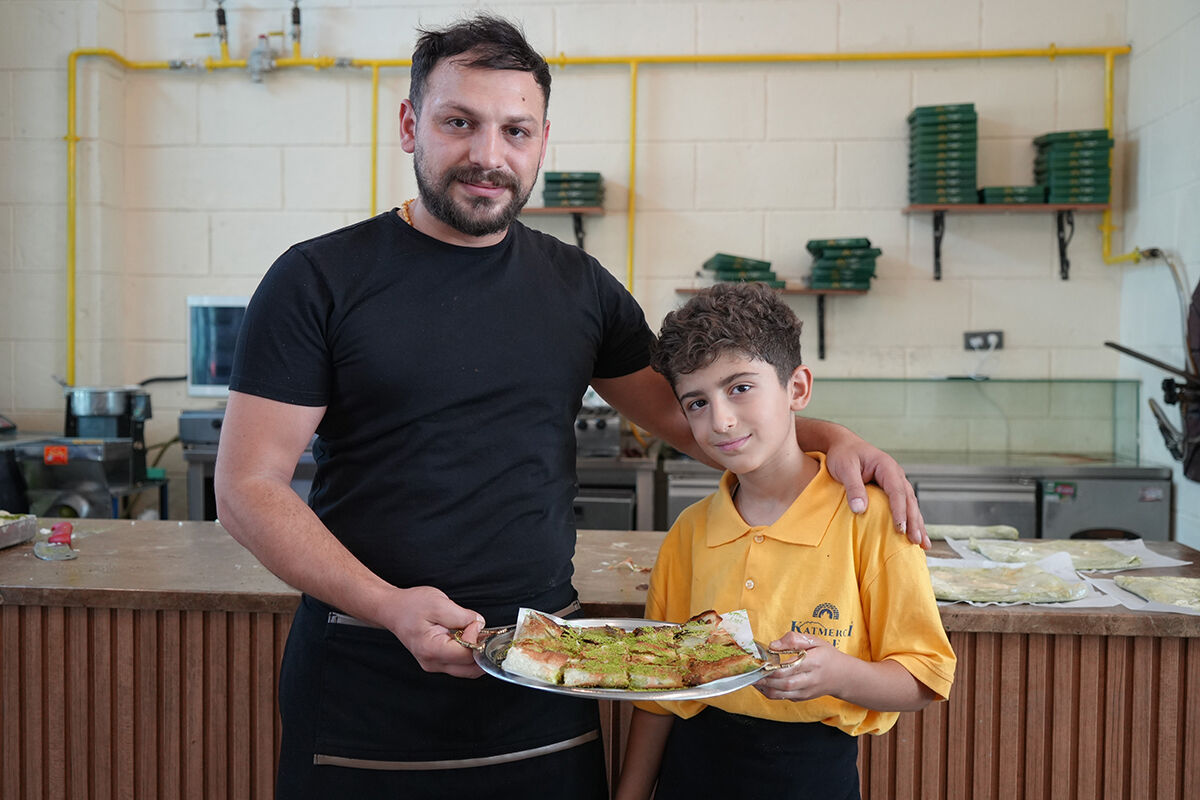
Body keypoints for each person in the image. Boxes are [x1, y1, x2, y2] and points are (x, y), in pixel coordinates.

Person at [214, 13, 929, 798]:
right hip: (365, 673)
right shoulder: (317, 280)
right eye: (460, 123)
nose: (489, 155)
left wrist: (832, 437)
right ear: (411, 125)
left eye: (515, 131)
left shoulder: (578, 287)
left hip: (544, 672)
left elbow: (691, 418)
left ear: (542, 143)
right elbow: (247, 487)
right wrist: (387, 607)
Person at [614, 283, 956, 800]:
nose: (720, 420)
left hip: (812, 777)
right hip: (692, 769)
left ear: (796, 388)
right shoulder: (689, 531)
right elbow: (658, 694)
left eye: (740, 388)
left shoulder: (868, 517)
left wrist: (840, 674)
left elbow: (925, 677)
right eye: (697, 402)